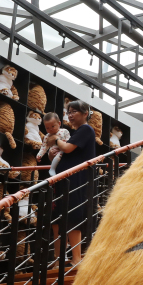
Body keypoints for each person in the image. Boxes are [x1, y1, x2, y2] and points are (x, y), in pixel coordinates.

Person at [49, 100, 96, 262]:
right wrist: (55, 150)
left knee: (72, 218)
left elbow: (67, 149)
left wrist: (55, 141)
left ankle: (75, 259)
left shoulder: (86, 129)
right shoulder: (74, 134)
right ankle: (58, 259)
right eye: (68, 112)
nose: (70, 115)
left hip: (76, 180)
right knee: (58, 219)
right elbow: (61, 153)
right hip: (64, 180)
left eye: (74, 111)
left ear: (85, 114)